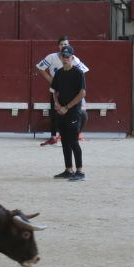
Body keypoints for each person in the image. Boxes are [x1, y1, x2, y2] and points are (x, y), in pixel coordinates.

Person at [36, 36, 90, 146]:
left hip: (72, 92)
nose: (63, 46)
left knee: (81, 112)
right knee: (55, 112)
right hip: (57, 89)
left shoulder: (73, 59)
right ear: (58, 46)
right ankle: (53, 136)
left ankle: (76, 133)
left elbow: (83, 72)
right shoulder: (52, 57)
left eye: (65, 44)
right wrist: (52, 80)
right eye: (61, 44)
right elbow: (40, 67)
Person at [49, 46, 87, 182]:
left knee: (73, 141)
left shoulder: (78, 73)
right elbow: (55, 91)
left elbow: (82, 93)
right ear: (60, 57)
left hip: (73, 113)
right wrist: (57, 104)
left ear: (72, 57)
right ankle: (68, 170)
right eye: (63, 56)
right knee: (64, 141)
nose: (65, 58)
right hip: (61, 112)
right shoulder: (59, 73)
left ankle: (80, 171)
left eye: (67, 56)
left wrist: (67, 107)